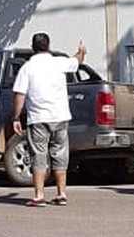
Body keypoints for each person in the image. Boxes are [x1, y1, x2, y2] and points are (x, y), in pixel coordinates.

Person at [12, 33, 86, 207]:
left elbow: (19, 94)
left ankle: (39, 195)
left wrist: (15, 117)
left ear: (33, 47)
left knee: (38, 155)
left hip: (38, 118)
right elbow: (77, 61)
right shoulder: (59, 62)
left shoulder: (27, 68)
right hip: (60, 116)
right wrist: (82, 51)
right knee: (60, 154)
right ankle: (61, 193)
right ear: (48, 45)